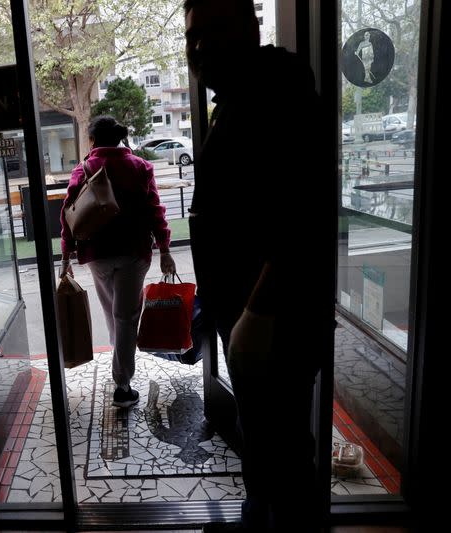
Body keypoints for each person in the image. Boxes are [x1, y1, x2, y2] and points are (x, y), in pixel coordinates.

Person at [184, 0, 334, 531]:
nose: (200, 45)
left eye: (214, 29)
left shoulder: (278, 92)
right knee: (264, 435)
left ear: (251, 27)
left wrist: (256, 312)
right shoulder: (239, 97)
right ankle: (258, 520)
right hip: (250, 313)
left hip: (275, 317)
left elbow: (303, 211)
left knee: (286, 451)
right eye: (193, 35)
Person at [60, 115, 175, 408]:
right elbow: (155, 211)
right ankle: (122, 387)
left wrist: (66, 255)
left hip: (96, 254)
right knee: (125, 317)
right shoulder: (139, 167)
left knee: (114, 315)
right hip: (134, 253)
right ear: (119, 138)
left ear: (93, 140)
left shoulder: (84, 168)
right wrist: (164, 249)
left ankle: (120, 366)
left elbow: (68, 214)